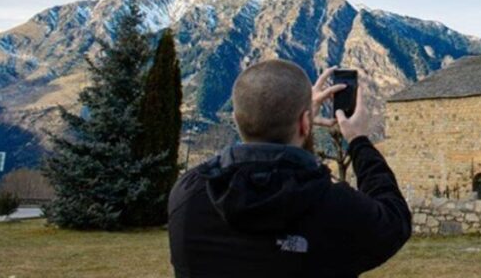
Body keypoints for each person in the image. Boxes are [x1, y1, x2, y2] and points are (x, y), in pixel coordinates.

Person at [168, 61, 411, 277]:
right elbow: (394, 219)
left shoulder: (189, 194)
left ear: (236, 118)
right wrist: (358, 140)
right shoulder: (336, 207)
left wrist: (299, 120)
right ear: (306, 124)